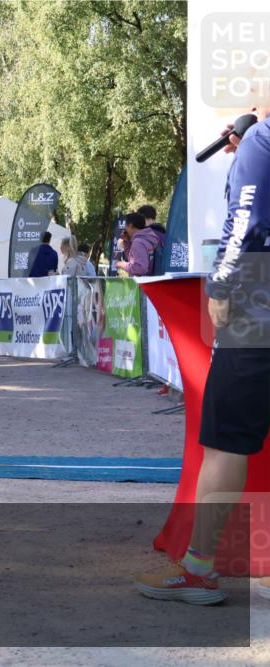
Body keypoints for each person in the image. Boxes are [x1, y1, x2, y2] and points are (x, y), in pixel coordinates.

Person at [134, 108, 270, 604]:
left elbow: (247, 219)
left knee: (225, 440)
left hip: (258, 298)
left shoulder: (263, 141)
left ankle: (198, 569)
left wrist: (220, 284)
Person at [115, 212, 164, 276]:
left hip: (143, 280)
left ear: (130, 225)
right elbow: (132, 260)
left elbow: (139, 268)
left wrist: (120, 264)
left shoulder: (138, 242)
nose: (125, 229)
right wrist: (127, 243)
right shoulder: (146, 238)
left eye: (126, 226)